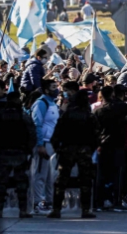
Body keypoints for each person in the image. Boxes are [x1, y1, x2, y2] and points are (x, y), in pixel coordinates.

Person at [48, 90, 98, 219]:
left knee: (61, 181)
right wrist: (90, 149)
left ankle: (56, 209)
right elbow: (96, 135)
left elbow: (56, 134)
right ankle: (85, 209)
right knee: (85, 181)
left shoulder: (66, 115)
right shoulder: (89, 116)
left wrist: (58, 149)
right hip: (84, 151)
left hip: (67, 150)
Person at [0, 91, 36, 218]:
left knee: (1, 183)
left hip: (4, 153)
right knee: (21, 183)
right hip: (19, 153)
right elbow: (32, 133)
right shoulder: (23, 116)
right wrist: (28, 150)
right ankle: (22, 210)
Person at [30, 79, 60, 213]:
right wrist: (40, 144)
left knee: (50, 176)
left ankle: (49, 201)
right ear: (47, 90)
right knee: (40, 174)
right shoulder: (41, 104)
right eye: (54, 87)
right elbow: (37, 124)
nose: (57, 89)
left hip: (52, 144)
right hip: (44, 144)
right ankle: (37, 202)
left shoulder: (53, 103)